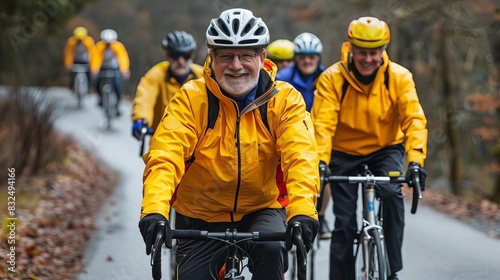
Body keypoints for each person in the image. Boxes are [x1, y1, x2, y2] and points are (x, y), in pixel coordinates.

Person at [138, 8, 319, 280]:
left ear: (262, 57)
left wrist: (303, 210)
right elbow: (166, 155)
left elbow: (300, 156)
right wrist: (154, 209)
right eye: (226, 56)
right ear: (211, 58)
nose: (236, 65)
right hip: (201, 212)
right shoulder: (190, 99)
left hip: (262, 207)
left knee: (271, 251)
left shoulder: (285, 101)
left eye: (246, 55)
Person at [311, 16, 428, 280]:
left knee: (392, 195)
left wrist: (415, 162)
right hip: (343, 152)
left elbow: (414, 120)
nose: (367, 59)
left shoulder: (399, 77)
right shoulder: (332, 79)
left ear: (383, 51)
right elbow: (322, 125)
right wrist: (321, 162)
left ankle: (392, 270)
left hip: (385, 148)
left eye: (373, 53)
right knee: (345, 222)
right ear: (350, 48)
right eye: (361, 52)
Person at [275, 32, 332, 240]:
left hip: (319, 133)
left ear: (318, 58)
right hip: (290, 132)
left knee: (324, 172)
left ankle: (323, 215)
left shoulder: (328, 78)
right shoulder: (282, 78)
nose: (308, 61)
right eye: (303, 56)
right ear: (296, 58)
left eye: (312, 57)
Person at [131, 30, 203, 140]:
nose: (181, 60)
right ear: (167, 55)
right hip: (163, 139)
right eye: (175, 55)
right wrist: (141, 119)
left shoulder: (203, 76)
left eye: (185, 55)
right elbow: (145, 97)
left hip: (198, 141)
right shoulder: (156, 74)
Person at [90, 28, 130, 116]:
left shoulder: (118, 46)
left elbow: (123, 58)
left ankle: (117, 106)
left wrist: (124, 70)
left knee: (117, 85)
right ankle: (101, 98)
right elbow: (95, 58)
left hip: (114, 69)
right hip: (102, 69)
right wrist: (94, 70)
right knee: (96, 82)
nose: (108, 45)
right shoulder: (99, 46)